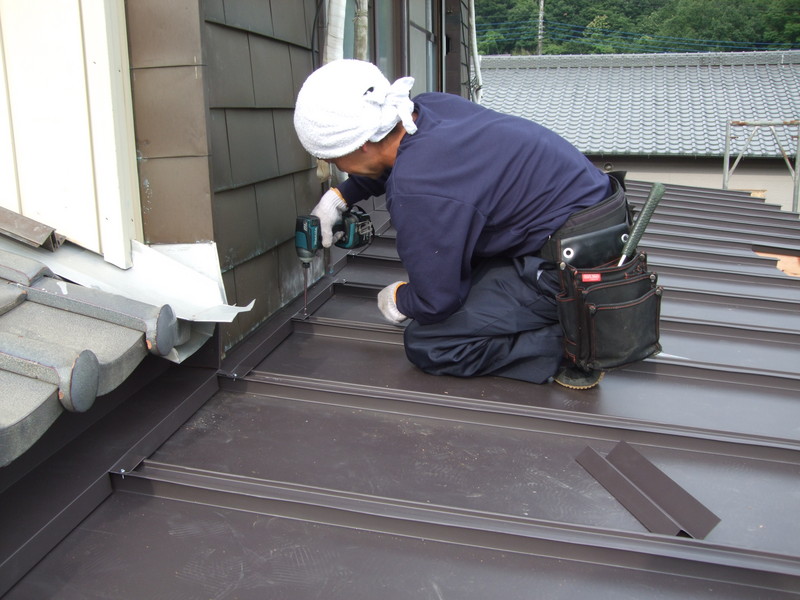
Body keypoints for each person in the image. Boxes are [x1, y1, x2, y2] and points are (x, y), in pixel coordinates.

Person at [293, 59, 630, 389]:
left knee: (432, 343)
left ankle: (576, 342)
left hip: (574, 264)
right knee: (464, 274)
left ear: (363, 144)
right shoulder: (429, 109)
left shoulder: (417, 190)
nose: (336, 167)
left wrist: (400, 298)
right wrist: (340, 196)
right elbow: (393, 160)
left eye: (335, 160)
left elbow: (437, 300)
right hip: (592, 219)